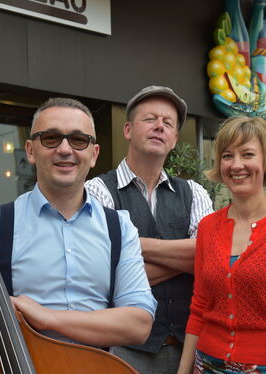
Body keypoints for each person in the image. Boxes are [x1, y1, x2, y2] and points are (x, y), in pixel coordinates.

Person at [0, 98, 157, 354]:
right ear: (30, 150)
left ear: (93, 155)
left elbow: (139, 325)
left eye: (78, 140)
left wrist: (47, 317)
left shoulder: (119, 226)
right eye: (50, 138)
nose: (64, 149)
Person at [178, 116, 266, 374]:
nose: (236, 165)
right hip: (206, 363)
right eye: (227, 156)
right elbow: (199, 307)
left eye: (247, 154)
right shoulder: (208, 227)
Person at [85, 86, 213, 373]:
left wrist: (126, 245)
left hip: (190, 349)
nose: (159, 127)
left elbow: (211, 257)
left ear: (175, 139)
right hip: (125, 350)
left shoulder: (194, 192)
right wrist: (187, 260)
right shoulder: (96, 191)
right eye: (150, 119)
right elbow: (100, 274)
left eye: (168, 123)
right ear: (128, 129)